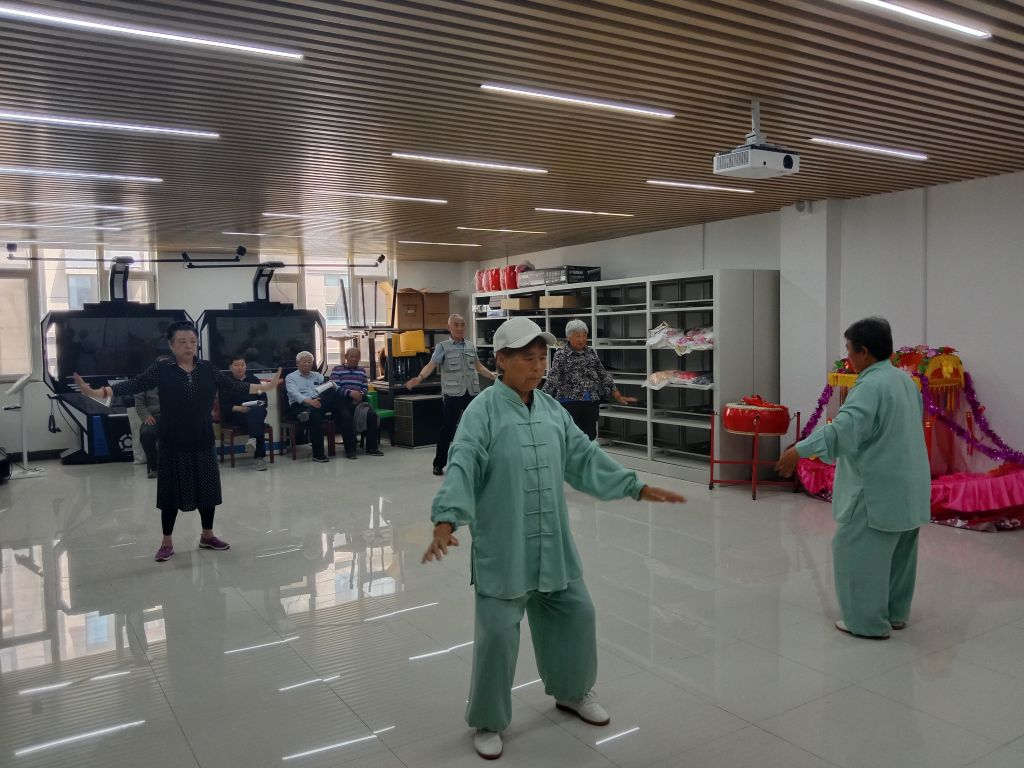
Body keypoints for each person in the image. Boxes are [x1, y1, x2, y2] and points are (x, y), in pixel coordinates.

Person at [421, 317, 686, 760]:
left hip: (552, 542)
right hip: (505, 547)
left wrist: (633, 485)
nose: (538, 366)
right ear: (500, 360)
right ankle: (488, 719)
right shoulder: (482, 412)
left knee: (577, 613)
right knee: (497, 637)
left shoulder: (550, 409)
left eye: (542, 357)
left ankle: (572, 691)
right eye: (528, 358)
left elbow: (584, 456)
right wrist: (446, 519)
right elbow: (463, 463)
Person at [73, 321, 282, 563]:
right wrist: (99, 393)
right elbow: (134, 384)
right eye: (182, 342)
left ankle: (207, 535)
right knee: (170, 494)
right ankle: (166, 542)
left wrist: (266, 387)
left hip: (202, 437)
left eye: (192, 341)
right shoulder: (162, 369)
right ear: (171, 345)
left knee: (207, 489)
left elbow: (235, 385)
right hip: (173, 438)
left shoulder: (207, 369)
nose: (188, 346)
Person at [776, 316, 931, 640]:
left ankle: (866, 622)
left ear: (864, 352)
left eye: (849, 350)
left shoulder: (870, 386)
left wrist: (799, 450)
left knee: (853, 551)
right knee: (900, 554)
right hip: (910, 487)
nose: (847, 357)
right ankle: (895, 614)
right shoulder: (905, 381)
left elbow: (844, 430)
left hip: (876, 490)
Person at [407, 313, 497, 475]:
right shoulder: (443, 347)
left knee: (478, 428)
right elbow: (431, 365)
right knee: (447, 429)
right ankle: (438, 463)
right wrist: (419, 378)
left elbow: (478, 366)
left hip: (471, 393)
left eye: (462, 325)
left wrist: (492, 376)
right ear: (449, 328)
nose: (460, 328)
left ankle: (479, 462)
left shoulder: (470, 346)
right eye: (456, 325)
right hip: (453, 394)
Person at [543, 319, 638, 440]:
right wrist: (541, 398)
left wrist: (617, 394)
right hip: (569, 402)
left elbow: (603, 374)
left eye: (584, 335)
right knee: (570, 437)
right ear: (568, 337)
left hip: (590, 402)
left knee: (590, 437)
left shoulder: (590, 352)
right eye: (577, 336)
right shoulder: (561, 354)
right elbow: (553, 378)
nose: (582, 339)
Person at [285, 350, 346, 462]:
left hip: (318, 403)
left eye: (309, 362)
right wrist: (309, 401)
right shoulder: (291, 377)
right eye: (304, 362)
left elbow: (330, 389)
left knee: (332, 392)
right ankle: (318, 454)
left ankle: (309, 412)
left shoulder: (317, 375)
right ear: (297, 363)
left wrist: (333, 385)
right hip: (300, 405)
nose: (307, 364)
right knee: (316, 415)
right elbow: (294, 394)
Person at [329, 347, 384, 457]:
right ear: (346, 357)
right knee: (346, 417)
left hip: (358, 400)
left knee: (372, 415)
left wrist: (360, 395)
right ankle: (350, 450)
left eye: (357, 357)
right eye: (352, 356)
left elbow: (365, 387)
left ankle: (372, 448)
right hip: (342, 401)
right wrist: (350, 393)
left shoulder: (362, 371)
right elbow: (335, 387)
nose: (354, 359)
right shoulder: (337, 369)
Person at [219, 354, 270, 471]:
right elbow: (224, 405)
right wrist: (240, 408)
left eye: (242, 365)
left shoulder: (254, 380)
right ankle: (259, 458)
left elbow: (264, 400)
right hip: (236, 415)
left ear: (246, 366)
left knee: (257, 411)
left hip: (254, 412)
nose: (240, 368)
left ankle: (253, 440)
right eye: (236, 365)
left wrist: (256, 405)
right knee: (258, 421)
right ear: (230, 367)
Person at [135, 386, 161, 479]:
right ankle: (155, 468)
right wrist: (145, 415)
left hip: (172, 416)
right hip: (153, 417)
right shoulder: (145, 382)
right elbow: (139, 403)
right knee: (146, 434)